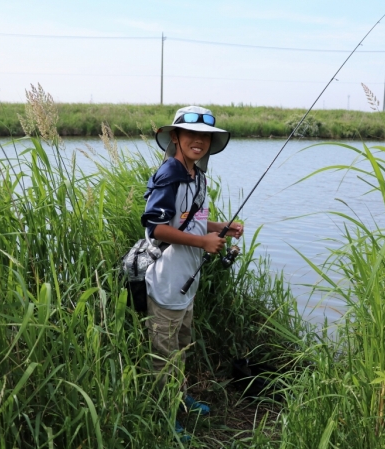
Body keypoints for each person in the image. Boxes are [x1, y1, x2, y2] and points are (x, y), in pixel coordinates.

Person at [140, 105, 243, 438]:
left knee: (181, 347)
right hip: (166, 282)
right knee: (163, 356)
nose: (198, 140)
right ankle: (164, 415)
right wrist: (203, 244)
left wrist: (219, 228)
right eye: (191, 134)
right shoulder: (169, 174)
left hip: (187, 283)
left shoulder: (196, 176)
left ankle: (179, 396)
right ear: (176, 138)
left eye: (205, 136)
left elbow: (189, 220)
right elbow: (155, 228)